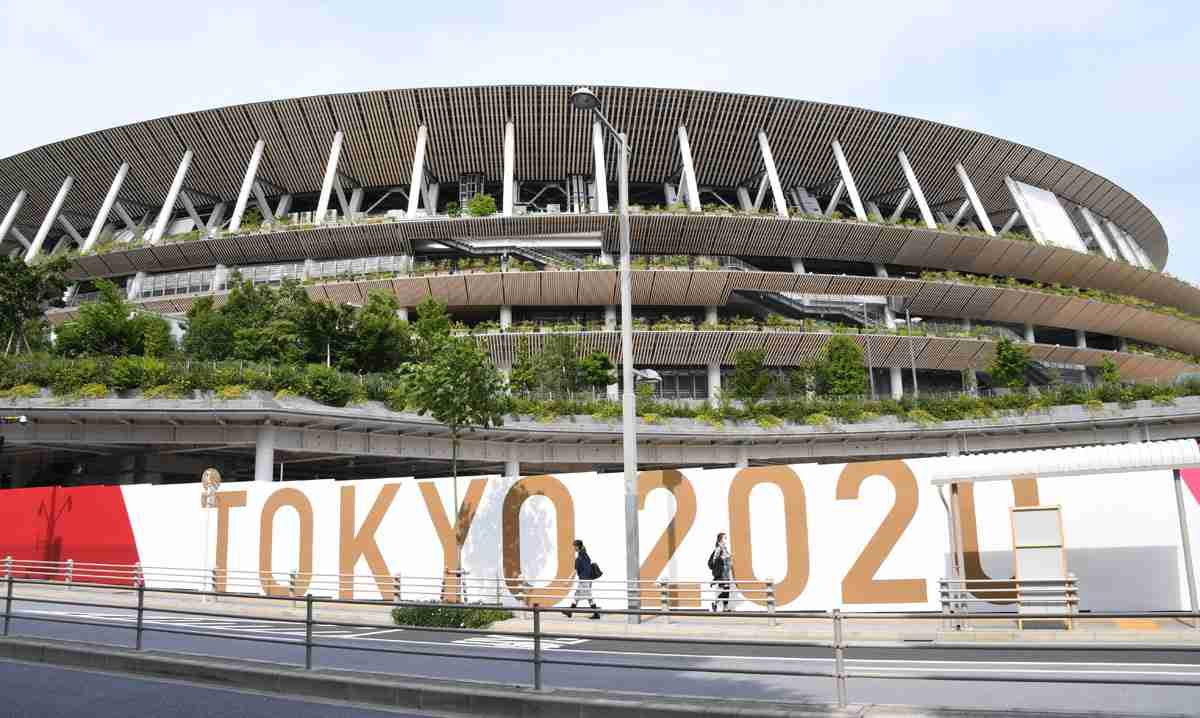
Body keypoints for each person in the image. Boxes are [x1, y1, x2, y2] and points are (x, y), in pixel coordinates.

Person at [563, 539, 601, 619]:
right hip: (588, 579)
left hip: (584, 580)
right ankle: (570, 612)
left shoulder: (579, 559)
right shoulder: (585, 555)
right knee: (578, 596)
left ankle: (596, 614)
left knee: (588, 597)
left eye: (574, 546)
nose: (574, 548)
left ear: (577, 546)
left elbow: (575, 571)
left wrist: (568, 581)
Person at [708, 532, 733, 612]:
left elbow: (727, 559)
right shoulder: (718, 548)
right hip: (722, 573)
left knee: (727, 590)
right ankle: (715, 603)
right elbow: (715, 560)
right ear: (720, 540)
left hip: (726, 572)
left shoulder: (724, 548)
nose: (726, 539)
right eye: (724, 538)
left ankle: (725, 607)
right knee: (726, 589)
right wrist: (722, 558)